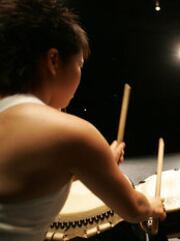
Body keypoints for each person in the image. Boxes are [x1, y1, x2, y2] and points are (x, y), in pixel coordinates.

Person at [0, 1, 165, 240]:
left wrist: (102, 159)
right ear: (53, 60)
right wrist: (153, 205)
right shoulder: (69, 132)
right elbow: (134, 209)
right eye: (79, 64)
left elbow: (35, 174)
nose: (79, 77)